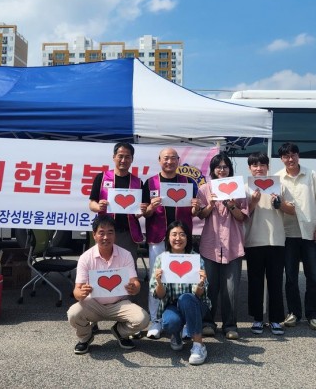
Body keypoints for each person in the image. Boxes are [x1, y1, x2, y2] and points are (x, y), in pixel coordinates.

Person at [67, 215, 150, 355]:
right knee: (73, 313)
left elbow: (135, 283)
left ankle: (120, 332)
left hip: (120, 304)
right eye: (101, 233)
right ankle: (85, 337)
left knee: (143, 319)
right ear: (94, 235)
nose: (106, 237)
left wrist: (134, 287)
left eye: (110, 232)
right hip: (94, 303)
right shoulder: (85, 258)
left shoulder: (125, 255)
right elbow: (77, 291)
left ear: (115, 235)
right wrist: (81, 293)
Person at [141, 147, 197, 339]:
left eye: (173, 158)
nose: (170, 161)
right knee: (157, 277)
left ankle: (186, 322)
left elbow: (195, 212)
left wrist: (196, 208)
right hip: (158, 237)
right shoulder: (150, 183)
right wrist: (150, 207)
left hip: (181, 239)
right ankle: (156, 320)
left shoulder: (188, 182)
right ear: (159, 160)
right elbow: (144, 212)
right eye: (166, 158)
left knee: (185, 279)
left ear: (178, 160)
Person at [192, 152, 247, 339]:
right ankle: (208, 322)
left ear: (230, 169)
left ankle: (230, 325)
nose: (222, 170)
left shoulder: (238, 189)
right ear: (213, 170)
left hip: (233, 244)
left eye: (225, 167)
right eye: (218, 167)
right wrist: (211, 204)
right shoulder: (205, 188)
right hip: (211, 244)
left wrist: (231, 205)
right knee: (210, 286)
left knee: (231, 288)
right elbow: (200, 215)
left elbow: (242, 217)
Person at [276, 142, 316, 331]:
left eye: (293, 155)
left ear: (298, 156)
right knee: (290, 277)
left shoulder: (311, 174)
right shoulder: (277, 178)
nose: (290, 159)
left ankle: (313, 314)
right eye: (286, 156)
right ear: (281, 159)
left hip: (310, 232)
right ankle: (294, 313)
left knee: (313, 276)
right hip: (288, 233)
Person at [150, 220, 210, 365]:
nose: (178, 238)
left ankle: (199, 345)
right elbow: (159, 295)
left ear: (188, 238)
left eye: (182, 234)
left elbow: (199, 294)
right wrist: (159, 282)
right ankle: (176, 335)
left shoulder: (195, 258)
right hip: (171, 305)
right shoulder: (162, 259)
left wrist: (201, 282)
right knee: (170, 322)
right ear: (168, 237)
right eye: (174, 234)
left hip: (195, 304)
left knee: (186, 299)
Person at [244, 152, 286, 336]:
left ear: (268, 167)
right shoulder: (244, 188)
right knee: (255, 282)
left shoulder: (279, 185)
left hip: (276, 240)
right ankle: (257, 318)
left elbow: (292, 210)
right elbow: (241, 215)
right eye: (255, 165)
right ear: (249, 168)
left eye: (262, 165)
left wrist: (279, 203)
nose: (259, 168)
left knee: (276, 281)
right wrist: (253, 202)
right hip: (253, 240)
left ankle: (276, 319)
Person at [88, 142, 144, 263]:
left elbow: (142, 208)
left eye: (127, 157)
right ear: (114, 157)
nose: (123, 160)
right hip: (105, 231)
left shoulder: (138, 182)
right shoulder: (101, 178)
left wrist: (141, 212)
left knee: (127, 266)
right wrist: (98, 206)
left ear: (132, 159)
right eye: (120, 156)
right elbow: (91, 204)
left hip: (127, 233)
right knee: (102, 264)